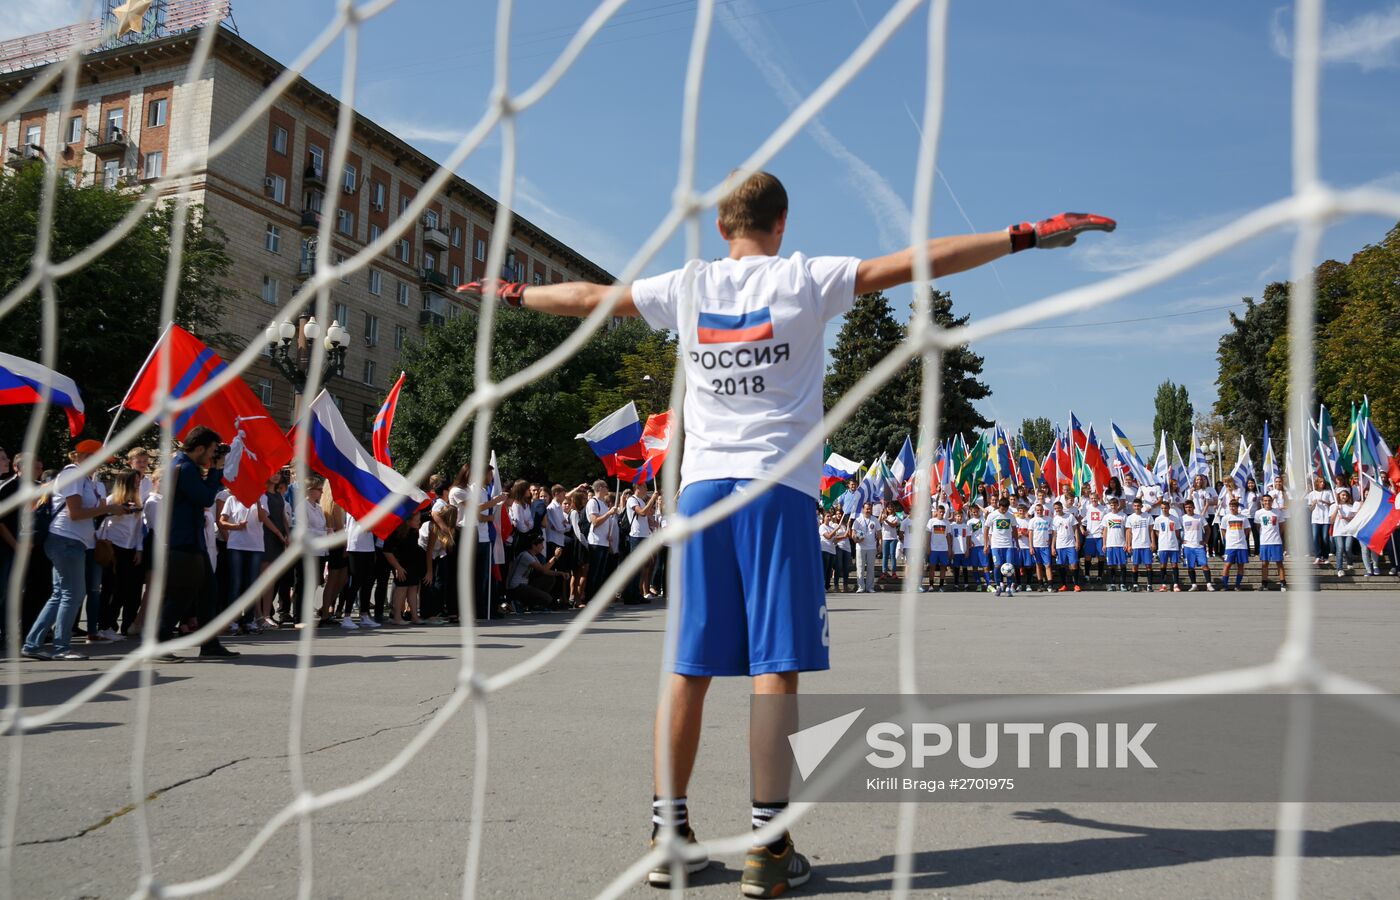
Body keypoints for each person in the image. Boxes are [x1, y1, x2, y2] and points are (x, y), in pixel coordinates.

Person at [462, 170, 1114, 893]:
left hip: (702, 491)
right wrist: (1024, 234)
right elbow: (925, 258)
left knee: (689, 667)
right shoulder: (807, 278)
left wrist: (516, 294)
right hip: (776, 487)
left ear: (720, 227)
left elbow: (589, 300)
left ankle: (668, 834)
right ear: (782, 223)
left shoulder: (689, 285)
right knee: (775, 667)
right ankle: (768, 847)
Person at [21, 440, 125, 661]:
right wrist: (108, 508)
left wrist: (107, 510)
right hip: (66, 541)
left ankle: (33, 644)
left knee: (61, 594)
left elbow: (78, 513)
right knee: (72, 594)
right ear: (86, 457)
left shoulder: (80, 477)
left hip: (68, 541)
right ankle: (60, 647)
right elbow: (75, 514)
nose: (99, 466)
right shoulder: (74, 475)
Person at [158, 427, 238, 659]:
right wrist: (216, 470)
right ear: (200, 448)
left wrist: (212, 469)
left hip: (192, 540)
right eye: (212, 450)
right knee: (182, 594)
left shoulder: (185, 466)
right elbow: (205, 497)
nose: (213, 455)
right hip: (182, 541)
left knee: (208, 593)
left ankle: (209, 643)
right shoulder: (184, 468)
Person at [96, 468, 144, 640]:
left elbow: (139, 528)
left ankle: (111, 624)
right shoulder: (112, 500)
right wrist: (104, 544)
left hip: (129, 549)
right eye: (135, 481)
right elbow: (103, 524)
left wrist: (139, 549)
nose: (138, 483)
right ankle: (104, 626)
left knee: (123, 589)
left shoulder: (137, 501)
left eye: (139, 481)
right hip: (113, 548)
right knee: (110, 589)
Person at [382, 510, 427, 624]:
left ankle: (414, 616)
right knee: (401, 589)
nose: (419, 522)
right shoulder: (396, 532)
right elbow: (387, 552)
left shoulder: (413, 531)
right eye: (417, 520)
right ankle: (397, 617)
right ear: (408, 521)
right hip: (401, 565)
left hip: (413, 563)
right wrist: (397, 567)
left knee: (413, 588)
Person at [585, 479, 619, 603]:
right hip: (595, 542)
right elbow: (595, 521)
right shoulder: (593, 503)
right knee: (594, 572)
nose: (607, 489)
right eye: (605, 486)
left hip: (603, 542)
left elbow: (606, 522)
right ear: (599, 488)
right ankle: (590, 598)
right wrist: (609, 513)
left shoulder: (603, 503)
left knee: (600, 573)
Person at [628, 483, 661, 601]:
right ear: (638, 488)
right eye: (645, 487)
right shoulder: (632, 500)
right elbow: (641, 512)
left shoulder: (641, 501)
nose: (647, 489)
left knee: (643, 566)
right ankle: (630, 594)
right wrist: (652, 499)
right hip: (636, 536)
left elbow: (645, 517)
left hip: (644, 536)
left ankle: (637, 593)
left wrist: (652, 523)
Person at [986, 497, 1019, 598]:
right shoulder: (992, 515)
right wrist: (985, 544)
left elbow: (1014, 530)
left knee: (1009, 567)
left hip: (1008, 545)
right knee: (997, 566)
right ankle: (998, 586)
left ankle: (1008, 587)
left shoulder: (1011, 516)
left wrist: (1017, 542)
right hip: (996, 545)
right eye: (1002, 508)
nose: (1003, 510)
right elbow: (986, 529)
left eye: (1005, 509)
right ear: (999, 506)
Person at [1179, 499, 1214, 591]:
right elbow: (1177, 530)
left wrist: (1205, 540)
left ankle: (1209, 584)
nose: (1188, 509)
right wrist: (1181, 540)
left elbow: (1208, 529)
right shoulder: (1182, 518)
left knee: (1204, 565)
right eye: (1186, 507)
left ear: (1193, 507)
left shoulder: (1199, 517)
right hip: (1188, 546)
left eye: (1190, 507)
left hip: (1199, 546)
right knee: (1190, 566)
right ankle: (1194, 585)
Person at [1256, 492, 1287, 591]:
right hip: (1264, 542)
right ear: (1262, 502)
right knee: (1264, 563)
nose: (1267, 502)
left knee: (1279, 563)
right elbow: (1258, 527)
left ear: (1272, 501)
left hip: (1276, 541)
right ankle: (1264, 584)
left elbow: (1282, 526)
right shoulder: (1258, 513)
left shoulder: (1277, 512)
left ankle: (1283, 583)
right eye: (1265, 501)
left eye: (1269, 500)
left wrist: (1276, 534)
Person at [1219, 499, 1251, 591]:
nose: (1232, 508)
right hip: (1230, 546)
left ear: (1237, 507)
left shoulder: (1243, 518)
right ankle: (1225, 585)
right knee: (1227, 565)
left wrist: (1241, 537)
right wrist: (1228, 539)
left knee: (1240, 565)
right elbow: (1223, 530)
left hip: (1241, 545)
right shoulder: (1226, 518)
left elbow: (1247, 530)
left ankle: (1237, 585)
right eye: (1231, 506)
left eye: (1234, 506)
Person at [1050, 501, 1081, 592]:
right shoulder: (1055, 519)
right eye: (1055, 509)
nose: (1057, 510)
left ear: (1062, 507)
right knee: (1061, 565)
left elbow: (1075, 529)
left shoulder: (1070, 516)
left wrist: (1077, 541)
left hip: (1071, 544)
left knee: (1074, 564)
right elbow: (1054, 534)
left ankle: (1076, 585)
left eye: (1058, 508)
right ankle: (1064, 585)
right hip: (1060, 545)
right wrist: (1052, 547)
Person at [1151, 502, 1182, 592]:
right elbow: (1156, 531)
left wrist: (1177, 540)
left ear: (1169, 508)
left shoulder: (1174, 519)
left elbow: (1177, 532)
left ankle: (1176, 584)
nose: (1164, 510)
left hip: (1173, 545)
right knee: (1163, 565)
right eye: (1163, 508)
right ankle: (1163, 584)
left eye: (1166, 508)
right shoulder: (1158, 519)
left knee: (1174, 564)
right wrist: (1161, 538)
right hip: (1163, 545)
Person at [1125, 498, 1154, 592]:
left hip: (1146, 544)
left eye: (1138, 506)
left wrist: (1153, 542)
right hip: (1135, 545)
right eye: (1135, 506)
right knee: (1135, 565)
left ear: (1142, 506)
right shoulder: (1130, 518)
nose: (1137, 507)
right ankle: (1135, 585)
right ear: (1133, 507)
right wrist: (1128, 545)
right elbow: (1128, 532)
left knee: (1148, 565)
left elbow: (1151, 530)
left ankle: (1149, 585)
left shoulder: (1148, 516)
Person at [1101, 497, 1129, 592]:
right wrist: (1104, 544)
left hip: (1121, 544)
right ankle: (1112, 584)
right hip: (1110, 544)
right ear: (1109, 505)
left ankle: (1123, 584)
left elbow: (1127, 530)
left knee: (1122, 564)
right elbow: (1104, 531)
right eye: (1111, 505)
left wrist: (1126, 543)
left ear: (1118, 505)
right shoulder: (1106, 517)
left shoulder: (1123, 516)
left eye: (1115, 505)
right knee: (1111, 565)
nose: (1113, 507)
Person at [1305, 476, 1334, 565]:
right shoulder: (1312, 494)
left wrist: (1324, 502)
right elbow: (1310, 508)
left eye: (1323, 482)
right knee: (1315, 537)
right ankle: (1317, 556)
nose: (1322, 483)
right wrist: (1313, 504)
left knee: (1325, 538)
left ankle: (1325, 556)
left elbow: (1332, 504)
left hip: (1325, 518)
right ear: (1317, 483)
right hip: (1315, 518)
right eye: (1320, 482)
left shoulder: (1328, 492)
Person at [850, 501, 878, 593]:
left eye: (870, 509)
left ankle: (870, 587)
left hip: (871, 547)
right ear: (863, 509)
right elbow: (853, 533)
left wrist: (880, 544)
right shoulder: (858, 520)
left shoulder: (874, 519)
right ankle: (861, 587)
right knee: (860, 568)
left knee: (870, 568)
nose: (868, 510)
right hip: (860, 547)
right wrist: (856, 540)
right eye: (867, 509)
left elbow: (879, 533)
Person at [924, 504, 950, 592]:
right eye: (940, 512)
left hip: (943, 549)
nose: (942, 513)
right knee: (932, 567)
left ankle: (941, 586)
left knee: (943, 567)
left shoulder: (947, 522)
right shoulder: (931, 521)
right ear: (937, 512)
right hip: (933, 549)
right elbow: (928, 534)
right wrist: (927, 546)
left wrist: (949, 548)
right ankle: (931, 585)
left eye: (943, 512)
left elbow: (948, 536)